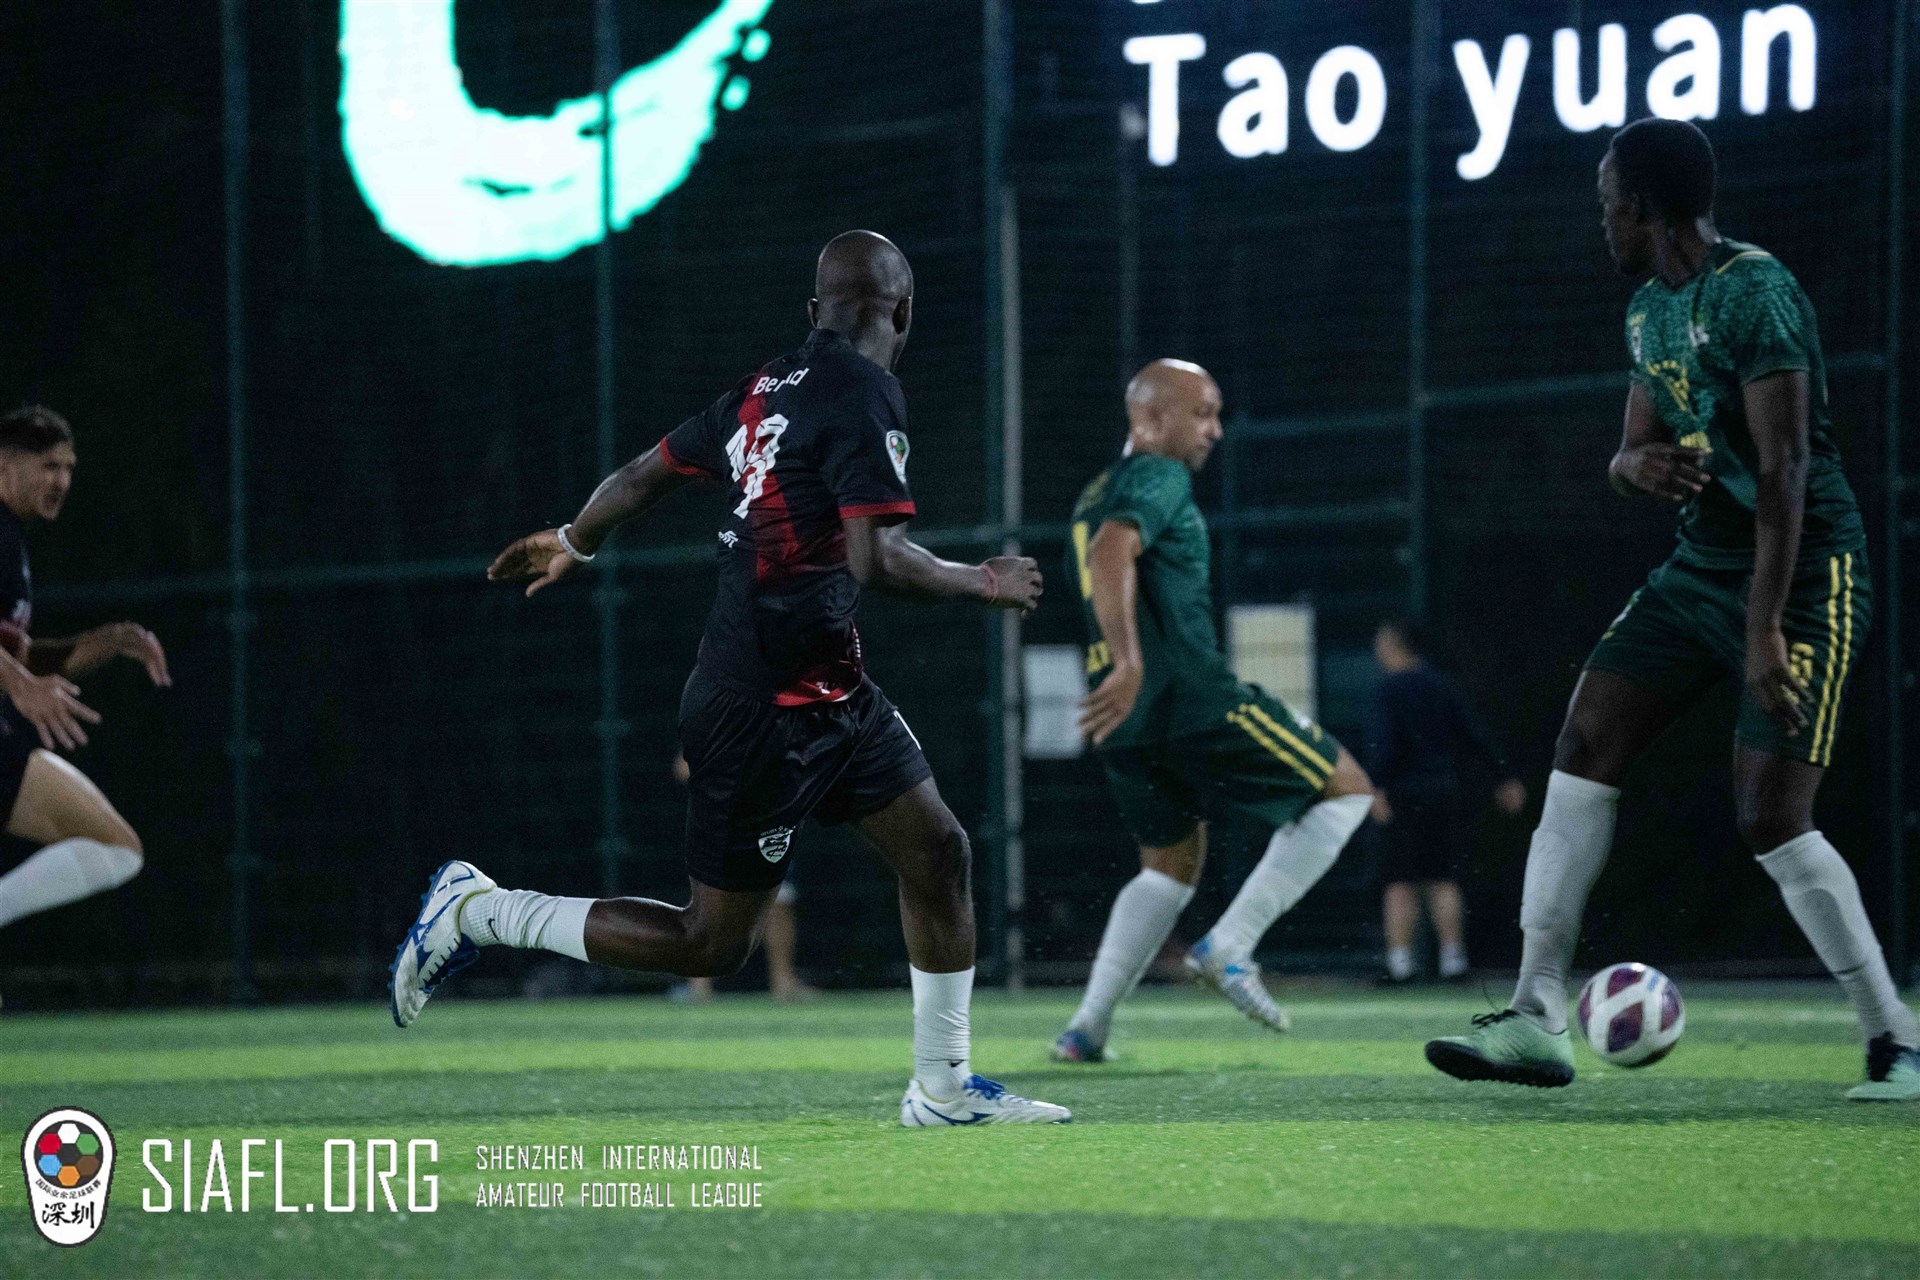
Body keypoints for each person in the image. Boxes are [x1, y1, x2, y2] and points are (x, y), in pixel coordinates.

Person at [390, 231, 1070, 1125]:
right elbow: (877, 559)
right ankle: (482, 911)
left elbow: (644, 473)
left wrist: (576, 540)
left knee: (938, 851)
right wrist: (984, 580)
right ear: (904, 311)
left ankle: (942, 1089)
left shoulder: (762, 390)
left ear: (814, 310)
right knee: (709, 944)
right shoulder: (866, 391)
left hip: (832, 690)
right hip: (759, 707)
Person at [1425, 119, 1919, 1101]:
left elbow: (1786, 468)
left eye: (1606, 201)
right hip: (1701, 567)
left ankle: (1895, 1041)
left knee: (1771, 814)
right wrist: (1633, 466)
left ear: (1643, 206)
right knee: (1585, 739)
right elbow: (1631, 451)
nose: (1600, 219)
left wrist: (1764, 625)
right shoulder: (1649, 309)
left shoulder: (1755, 289)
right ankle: (1535, 1015)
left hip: (1806, 572)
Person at [1050, 360, 1374, 1063]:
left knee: (1168, 864)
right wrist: (1133, 661)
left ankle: (1087, 1029)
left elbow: (1102, 553)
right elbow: (1111, 552)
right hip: (1189, 697)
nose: (1215, 430)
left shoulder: (1095, 489)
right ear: (1149, 419)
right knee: (1347, 788)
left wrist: (1120, 669)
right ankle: (1232, 943)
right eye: (1202, 412)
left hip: (1123, 720)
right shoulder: (1158, 475)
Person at [0, 407, 171, 1000]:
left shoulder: (12, 540)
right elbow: (17, 672)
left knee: (116, 850)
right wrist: (20, 686)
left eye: (69, 468)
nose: (61, 481)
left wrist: (108, 641)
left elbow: (22, 656)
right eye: (48, 466)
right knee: (116, 849)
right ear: (4, 465)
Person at [1369, 617, 1525, 984]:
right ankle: (1453, 961)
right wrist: (1503, 777)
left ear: (1393, 643)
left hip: (1403, 795)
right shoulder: (1442, 685)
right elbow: (1473, 735)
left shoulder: (1387, 691)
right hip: (1442, 793)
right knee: (1443, 878)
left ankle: (1400, 965)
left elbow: (1384, 746)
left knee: (1400, 881)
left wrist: (1376, 788)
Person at [665, 751, 817, 1004]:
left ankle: (783, 982)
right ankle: (699, 985)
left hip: (767, 819)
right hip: (719, 824)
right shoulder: (712, 729)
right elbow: (683, 768)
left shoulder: (772, 730)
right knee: (707, 902)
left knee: (781, 899)